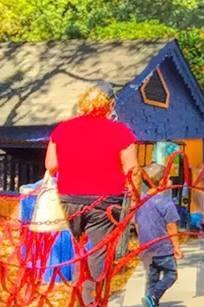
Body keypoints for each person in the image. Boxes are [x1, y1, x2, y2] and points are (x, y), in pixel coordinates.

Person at [47, 85, 140, 285]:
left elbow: (51, 166)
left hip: (69, 199)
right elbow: (132, 169)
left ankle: (80, 297)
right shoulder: (120, 132)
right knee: (99, 252)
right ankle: (92, 305)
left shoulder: (63, 129)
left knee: (79, 249)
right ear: (110, 105)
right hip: (104, 201)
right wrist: (133, 200)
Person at [133, 163, 183, 307]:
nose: (171, 181)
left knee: (152, 277)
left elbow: (136, 222)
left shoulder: (139, 201)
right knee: (171, 274)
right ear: (160, 182)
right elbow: (171, 227)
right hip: (163, 248)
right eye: (168, 178)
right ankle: (152, 297)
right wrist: (176, 247)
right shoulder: (166, 203)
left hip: (146, 248)